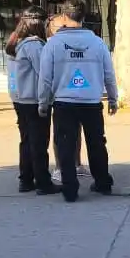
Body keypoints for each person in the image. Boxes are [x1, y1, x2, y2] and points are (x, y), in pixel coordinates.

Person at [38, 0, 118, 203]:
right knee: (97, 143)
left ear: (64, 17)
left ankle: (70, 189)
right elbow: (109, 74)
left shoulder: (53, 44)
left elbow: (45, 77)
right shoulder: (97, 43)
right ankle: (102, 183)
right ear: (84, 17)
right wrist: (113, 98)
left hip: (64, 103)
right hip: (91, 102)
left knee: (65, 144)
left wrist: (43, 102)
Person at [5, 6, 59, 195]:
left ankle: (26, 179)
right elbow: (44, 76)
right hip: (34, 101)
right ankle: (43, 182)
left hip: (20, 99)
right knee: (38, 143)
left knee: (27, 141)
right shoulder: (34, 45)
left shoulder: (15, 41)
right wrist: (46, 101)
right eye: (47, 23)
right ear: (39, 23)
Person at [46, 12, 90, 183]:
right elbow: (46, 74)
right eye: (58, 24)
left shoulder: (76, 41)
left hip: (78, 92)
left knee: (77, 132)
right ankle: (59, 168)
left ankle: (77, 164)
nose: (62, 27)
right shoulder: (52, 44)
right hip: (60, 96)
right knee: (62, 136)